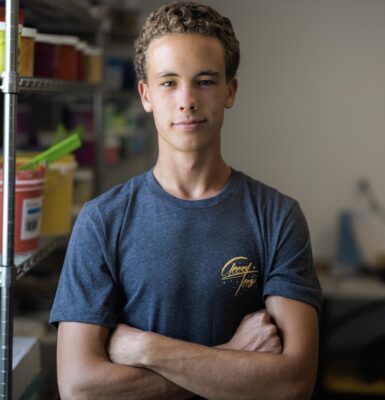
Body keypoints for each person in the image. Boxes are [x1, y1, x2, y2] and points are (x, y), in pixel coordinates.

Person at [50, 2, 323, 399]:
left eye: (205, 81)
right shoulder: (101, 221)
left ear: (230, 90)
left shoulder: (277, 217)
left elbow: (293, 382)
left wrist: (147, 349)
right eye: (168, 82)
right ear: (145, 95)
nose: (187, 100)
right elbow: (78, 387)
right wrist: (230, 357)